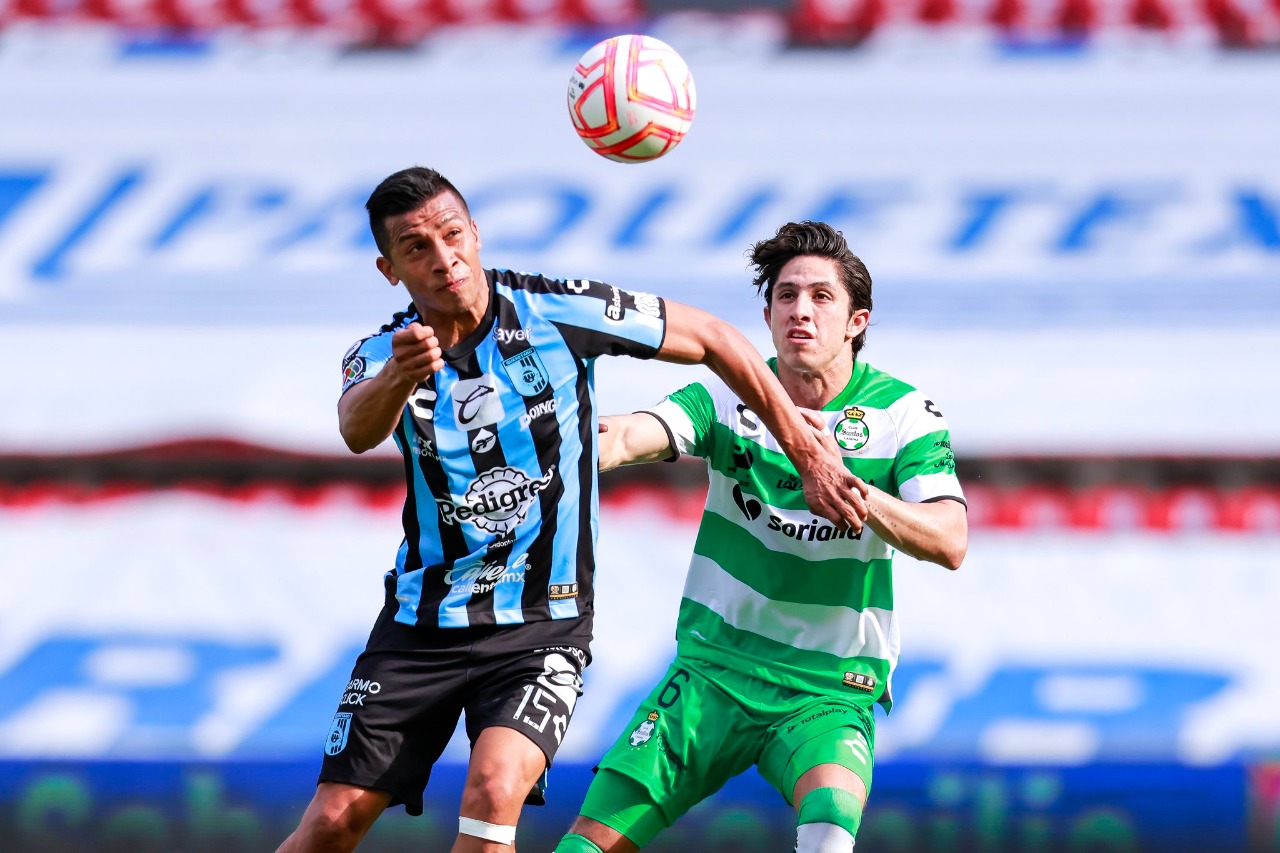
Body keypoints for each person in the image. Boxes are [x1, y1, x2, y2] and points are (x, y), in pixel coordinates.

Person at [274, 170, 866, 853]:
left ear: (475, 232)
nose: (444, 258)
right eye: (416, 248)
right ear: (389, 269)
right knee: (332, 820)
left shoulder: (555, 309)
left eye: (453, 234)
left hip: (541, 625)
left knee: (494, 788)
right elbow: (355, 426)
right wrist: (397, 378)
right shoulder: (383, 353)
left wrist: (806, 452)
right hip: (419, 625)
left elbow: (713, 338)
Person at [555, 220, 968, 853]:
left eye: (821, 297)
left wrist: (844, 485)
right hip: (713, 672)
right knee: (586, 845)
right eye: (785, 296)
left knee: (831, 815)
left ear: (857, 321)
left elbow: (949, 540)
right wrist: (563, 441)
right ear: (769, 314)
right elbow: (632, 434)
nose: (800, 311)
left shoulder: (903, 414)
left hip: (826, 688)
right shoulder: (728, 396)